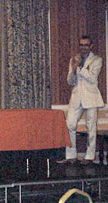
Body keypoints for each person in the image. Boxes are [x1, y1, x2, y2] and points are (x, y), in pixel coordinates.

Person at [57, 35, 104, 165]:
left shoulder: (97, 60)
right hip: (77, 96)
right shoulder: (74, 59)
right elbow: (70, 81)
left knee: (91, 127)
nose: (83, 48)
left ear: (91, 46)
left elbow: (93, 79)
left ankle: (89, 156)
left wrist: (81, 66)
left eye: (86, 45)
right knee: (70, 124)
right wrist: (73, 68)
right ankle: (71, 155)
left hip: (91, 97)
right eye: (81, 45)